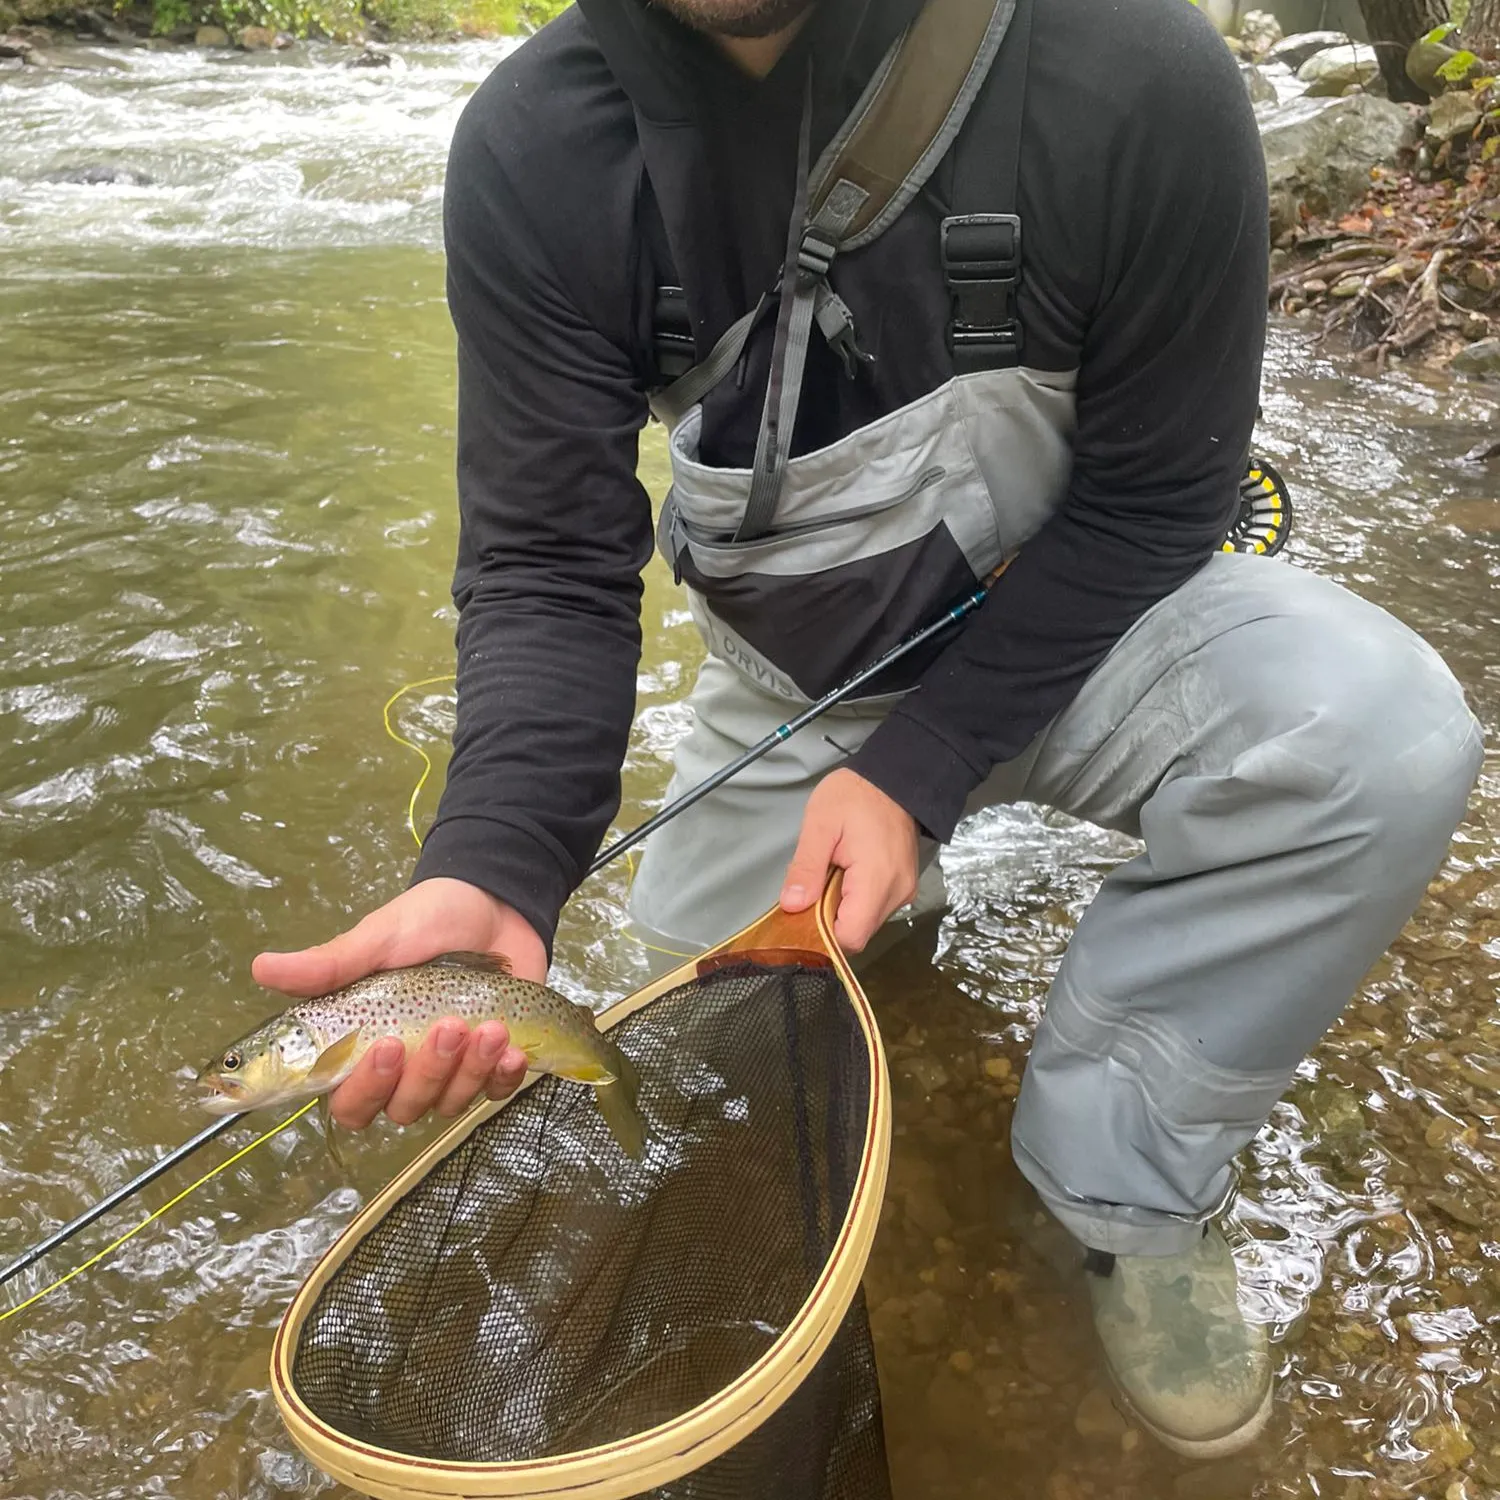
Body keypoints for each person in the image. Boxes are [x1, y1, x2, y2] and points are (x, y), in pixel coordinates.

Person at [253, 0, 1485, 1460]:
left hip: (1101, 627)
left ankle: (1127, 1195)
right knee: (721, 1080)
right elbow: (547, 566)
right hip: (796, 690)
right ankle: (887, 978)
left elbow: (1159, 501)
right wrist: (497, 865)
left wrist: (915, 773)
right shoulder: (539, 147)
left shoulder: (1136, 74)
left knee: (1384, 738)